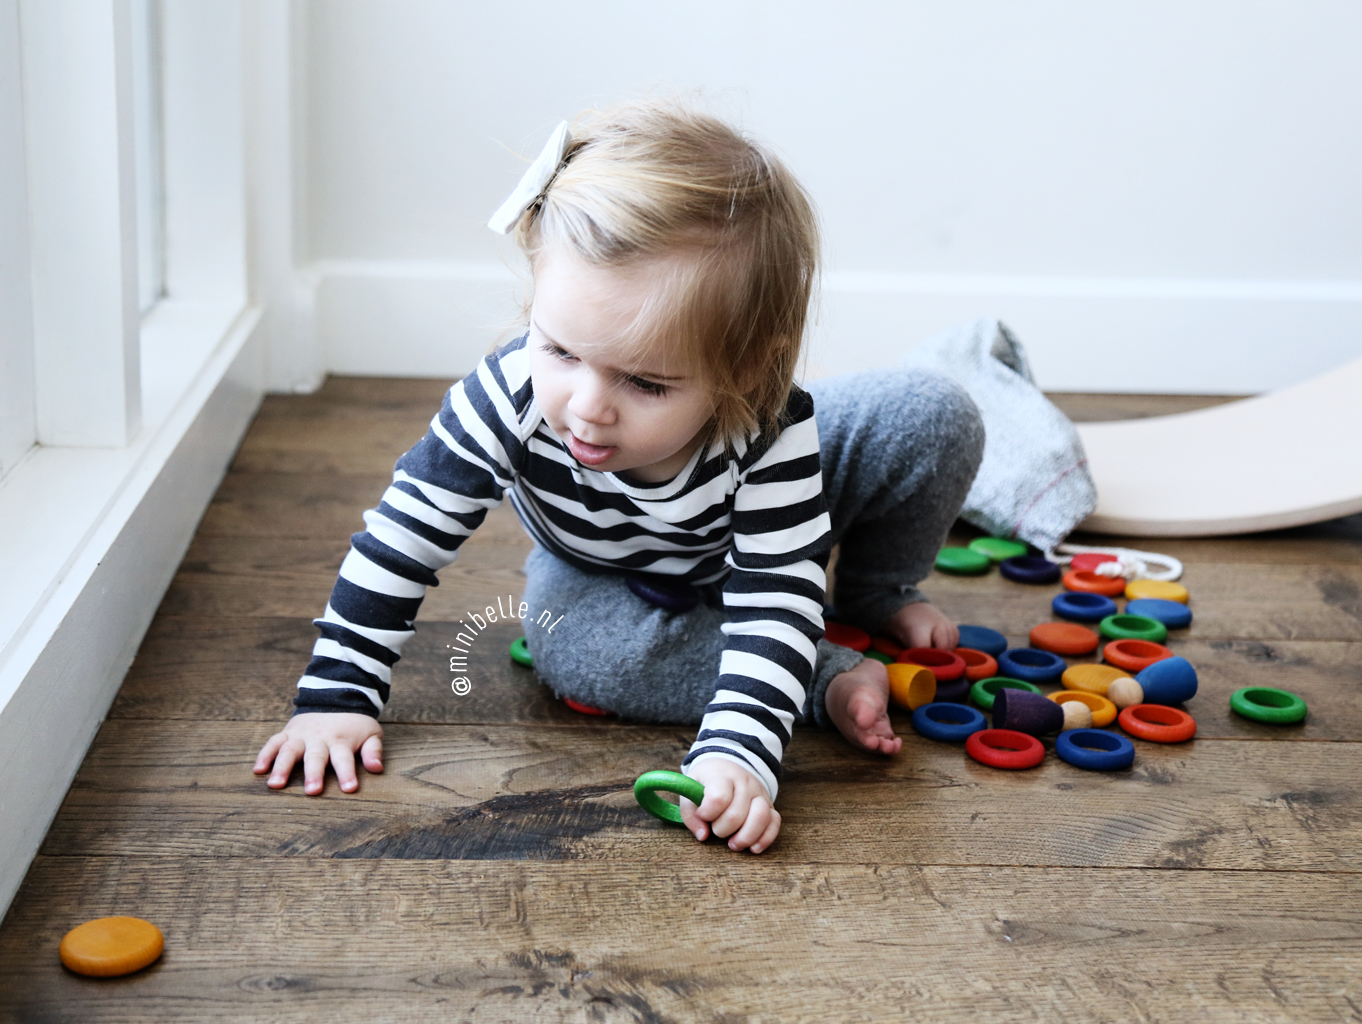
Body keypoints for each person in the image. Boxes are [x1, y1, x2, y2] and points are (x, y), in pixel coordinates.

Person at [253, 100, 984, 855]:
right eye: (560, 350)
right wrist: (337, 695)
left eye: (646, 383)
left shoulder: (767, 424)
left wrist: (740, 751)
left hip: (757, 524)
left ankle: (875, 592)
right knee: (576, 651)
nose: (587, 409)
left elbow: (776, 589)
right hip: (598, 568)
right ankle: (827, 675)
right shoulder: (510, 399)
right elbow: (403, 537)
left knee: (933, 411)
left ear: (748, 369)